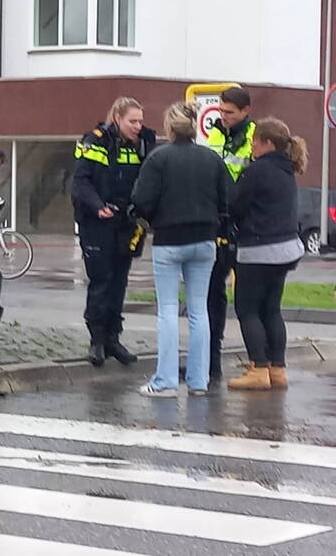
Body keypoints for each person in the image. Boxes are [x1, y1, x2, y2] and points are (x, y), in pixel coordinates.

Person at [130, 103, 229, 397]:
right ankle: (199, 381)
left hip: (170, 241)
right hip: (205, 240)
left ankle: (166, 381)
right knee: (200, 311)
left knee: (169, 310)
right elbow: (227, 198)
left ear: (170, 128)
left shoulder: (158, 159)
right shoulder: (211, 159)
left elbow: (141, 199)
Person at [72, 97, 157, 366]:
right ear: (118, 118)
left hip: (127, 224)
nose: (138, 126)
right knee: (101, 280)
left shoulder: (143, 144)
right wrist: (97, 207)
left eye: (140, 121)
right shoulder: (94, 141)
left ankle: (113, 339)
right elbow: (80, 181)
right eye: (133, 121)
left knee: (120, 282)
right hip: (97, 223)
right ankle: (96, 340)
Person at [227, 117, 307, 391]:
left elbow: (236, 205)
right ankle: (278, 368)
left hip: (258, 249)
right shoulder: (288, 169)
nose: (251, 147)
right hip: (286, 248)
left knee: (247, 309)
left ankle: (258, 368)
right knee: (272, 309)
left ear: (267, 143)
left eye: (254, 142)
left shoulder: (257, 170)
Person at [205, 87, 256, 381]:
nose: (223, 117)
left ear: (246, 111)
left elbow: (252, 182)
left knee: (248, 300)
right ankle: (212, 362)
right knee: (214, 294)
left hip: (243, 225)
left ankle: (259, 363)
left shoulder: (253, 137)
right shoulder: (215, 134)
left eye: (230, 112)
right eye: (221, 111)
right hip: (218, 222)